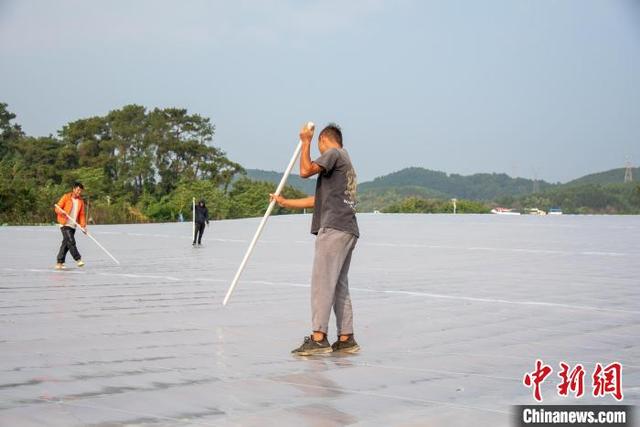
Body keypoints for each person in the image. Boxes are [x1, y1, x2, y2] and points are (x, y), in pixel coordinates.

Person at [271, 123, 360, 356]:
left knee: (322, 283)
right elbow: (317, 199)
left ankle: (319, 338)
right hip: (348, 228)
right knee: (339, 284)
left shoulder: (333, 154)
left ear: (324, 140)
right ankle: (346, 337)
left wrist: (305, 141)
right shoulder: (346, 163)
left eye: (318, 144)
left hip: (333, 228)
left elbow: (305, 170)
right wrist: (285, 202)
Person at [54, 182, 87, 270]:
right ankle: (78, 259)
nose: (79, 192)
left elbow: (82, 215)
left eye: (81, 190)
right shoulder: (66, 197)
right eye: (78, 190)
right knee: (71, 241)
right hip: (64, 223)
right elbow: (57, 208)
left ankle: (59, 262)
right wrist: (62, 212)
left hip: (73, 225)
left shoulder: (80, 201)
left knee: (66, 244)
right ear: (74, 189)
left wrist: (83, 226)